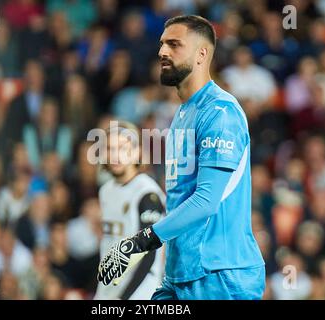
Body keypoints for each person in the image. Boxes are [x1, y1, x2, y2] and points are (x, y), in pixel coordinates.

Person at [97, 15, 265, 300]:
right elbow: (178, 200)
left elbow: (205, 201)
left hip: (220, 275)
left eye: (174, 45)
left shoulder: (221, 112)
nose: (162, 52)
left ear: (202, 54)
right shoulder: (182, 115)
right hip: (181, 274)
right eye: (162, 44)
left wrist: (142, 240)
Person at [94, 121, 165, 300]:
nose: (116, 155)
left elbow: (149, 254)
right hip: (108, 289)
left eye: (123, 148)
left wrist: (123, 298)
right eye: (110, 148)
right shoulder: (106, 191)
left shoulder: (146, 193)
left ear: (137, 152)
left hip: (141, 291)